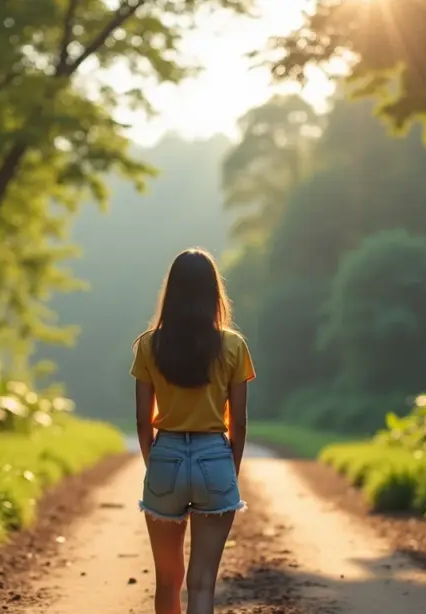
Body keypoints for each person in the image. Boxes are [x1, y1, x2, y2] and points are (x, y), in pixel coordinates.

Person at [130, 247, 256, 614]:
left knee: (168, 580)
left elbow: (141, 419)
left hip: (165, 456)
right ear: (214, 293)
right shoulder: (233, 345)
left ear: (171, 292)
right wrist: (229, 469)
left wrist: (153, 461)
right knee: (202, 584)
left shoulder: (149, 345)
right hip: (214, 457)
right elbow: (241, 421)